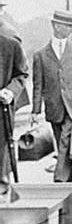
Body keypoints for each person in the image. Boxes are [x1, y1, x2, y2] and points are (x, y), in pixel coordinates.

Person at [31, 10, 72, 182]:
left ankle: (59, 178)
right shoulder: (40, 55)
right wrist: (35, 111)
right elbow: (38, 86)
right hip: (54, 107)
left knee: (65, 141)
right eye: (66, 25)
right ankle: (71, 188)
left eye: (71, 25)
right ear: (55, 26)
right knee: (62, 143)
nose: (70, 29)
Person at [0, 24, 29, 194]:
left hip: (0, 111)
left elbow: (21, 74)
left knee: (1, 153)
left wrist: (10, 91)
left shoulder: (10, 46)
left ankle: (2, 192)